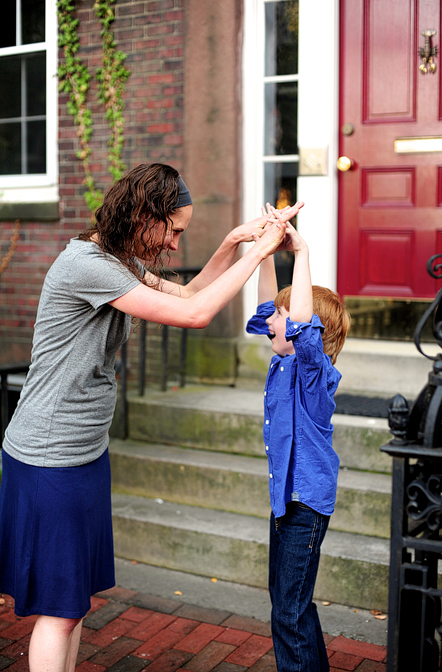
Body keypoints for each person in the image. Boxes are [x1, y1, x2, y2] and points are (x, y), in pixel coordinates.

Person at [0, 162, 300, 672]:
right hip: (49, 456)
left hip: (84, 452)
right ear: (145, 216)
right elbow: (195, 314)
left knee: (73, 606)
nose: (176, 245)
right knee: (59, 607)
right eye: (174, 230)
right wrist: (260, 253)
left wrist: (232, 242)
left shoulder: (117, 261)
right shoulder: (88, 265)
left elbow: (188, 291)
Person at [245, 203, 350, 671]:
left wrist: (302, 251)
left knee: (287, 612)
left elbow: (301, 323)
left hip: (305, 504)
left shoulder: (313, 373)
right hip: (286, 501)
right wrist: (267, 249)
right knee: (291, 604)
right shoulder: (283, 359)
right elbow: (270, 307)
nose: (271, 321)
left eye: (282, 316)